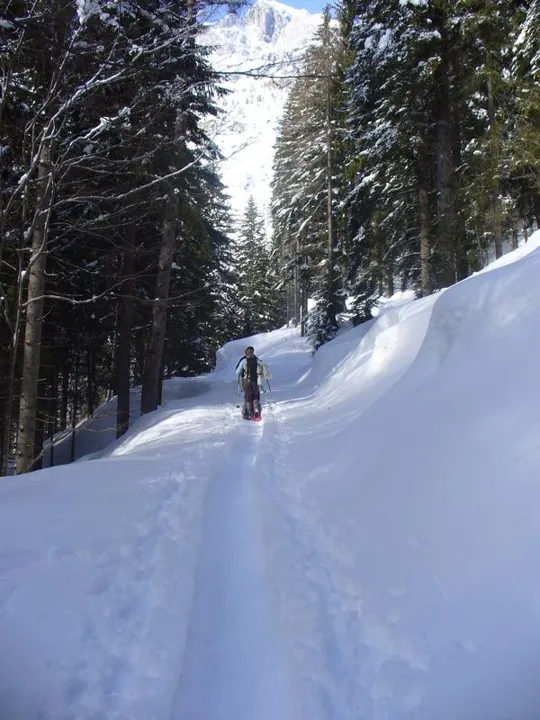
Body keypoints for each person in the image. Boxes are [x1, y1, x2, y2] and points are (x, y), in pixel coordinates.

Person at [235, 346, 270, 419]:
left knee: (248, 395)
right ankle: (256, 410)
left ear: (246, 352)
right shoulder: (257, 359)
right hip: (255, 380)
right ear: (253, 352)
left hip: (246, 380)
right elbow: (262, 368)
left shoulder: (243, 360)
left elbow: (237, 371)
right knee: (255, 395)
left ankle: (249, 412)